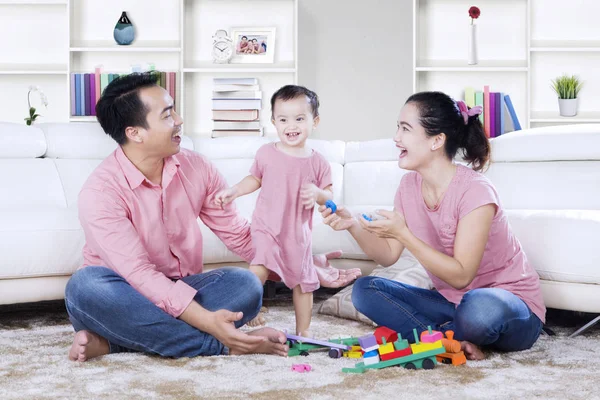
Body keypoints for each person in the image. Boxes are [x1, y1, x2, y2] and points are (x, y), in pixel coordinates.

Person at [65, 72, 292, 362]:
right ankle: (225, 344)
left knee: (246, 285)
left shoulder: (196, 167)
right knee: (85, 287)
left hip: (184, 289)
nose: (180, 120)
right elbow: (140, 275)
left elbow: (237, 233)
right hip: (123, 295)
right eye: (167, 115)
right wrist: (209, 323)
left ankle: (114, 343)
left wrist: (296, 263)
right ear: (135, 133)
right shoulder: (100, 192)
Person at [319, 91, 546, 360]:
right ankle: (445, 340)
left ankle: (443, 333)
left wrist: (404, 233)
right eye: (398, 128)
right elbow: (388, 256)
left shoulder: (476, 191)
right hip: (452, 303)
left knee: (478, 310)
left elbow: (462, 276)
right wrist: (352, 225)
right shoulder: (408, 186)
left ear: (437, 140)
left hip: (508, 304)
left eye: (405, 128)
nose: (396, 137)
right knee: (365, 289)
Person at [215, 85, 359, 336]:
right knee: (259, 267)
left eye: (299, 119)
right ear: (274, 121)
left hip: (297, 234)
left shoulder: (318, 162)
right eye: (283, 119)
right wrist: (234, 191)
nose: (291, 126)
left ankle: (303, 331)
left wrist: (318, 194)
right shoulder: (266, 153)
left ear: (315, 121)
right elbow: (254, 179)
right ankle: (248, 311)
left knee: (303, 282)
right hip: (266, 226)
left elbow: (329, 198)